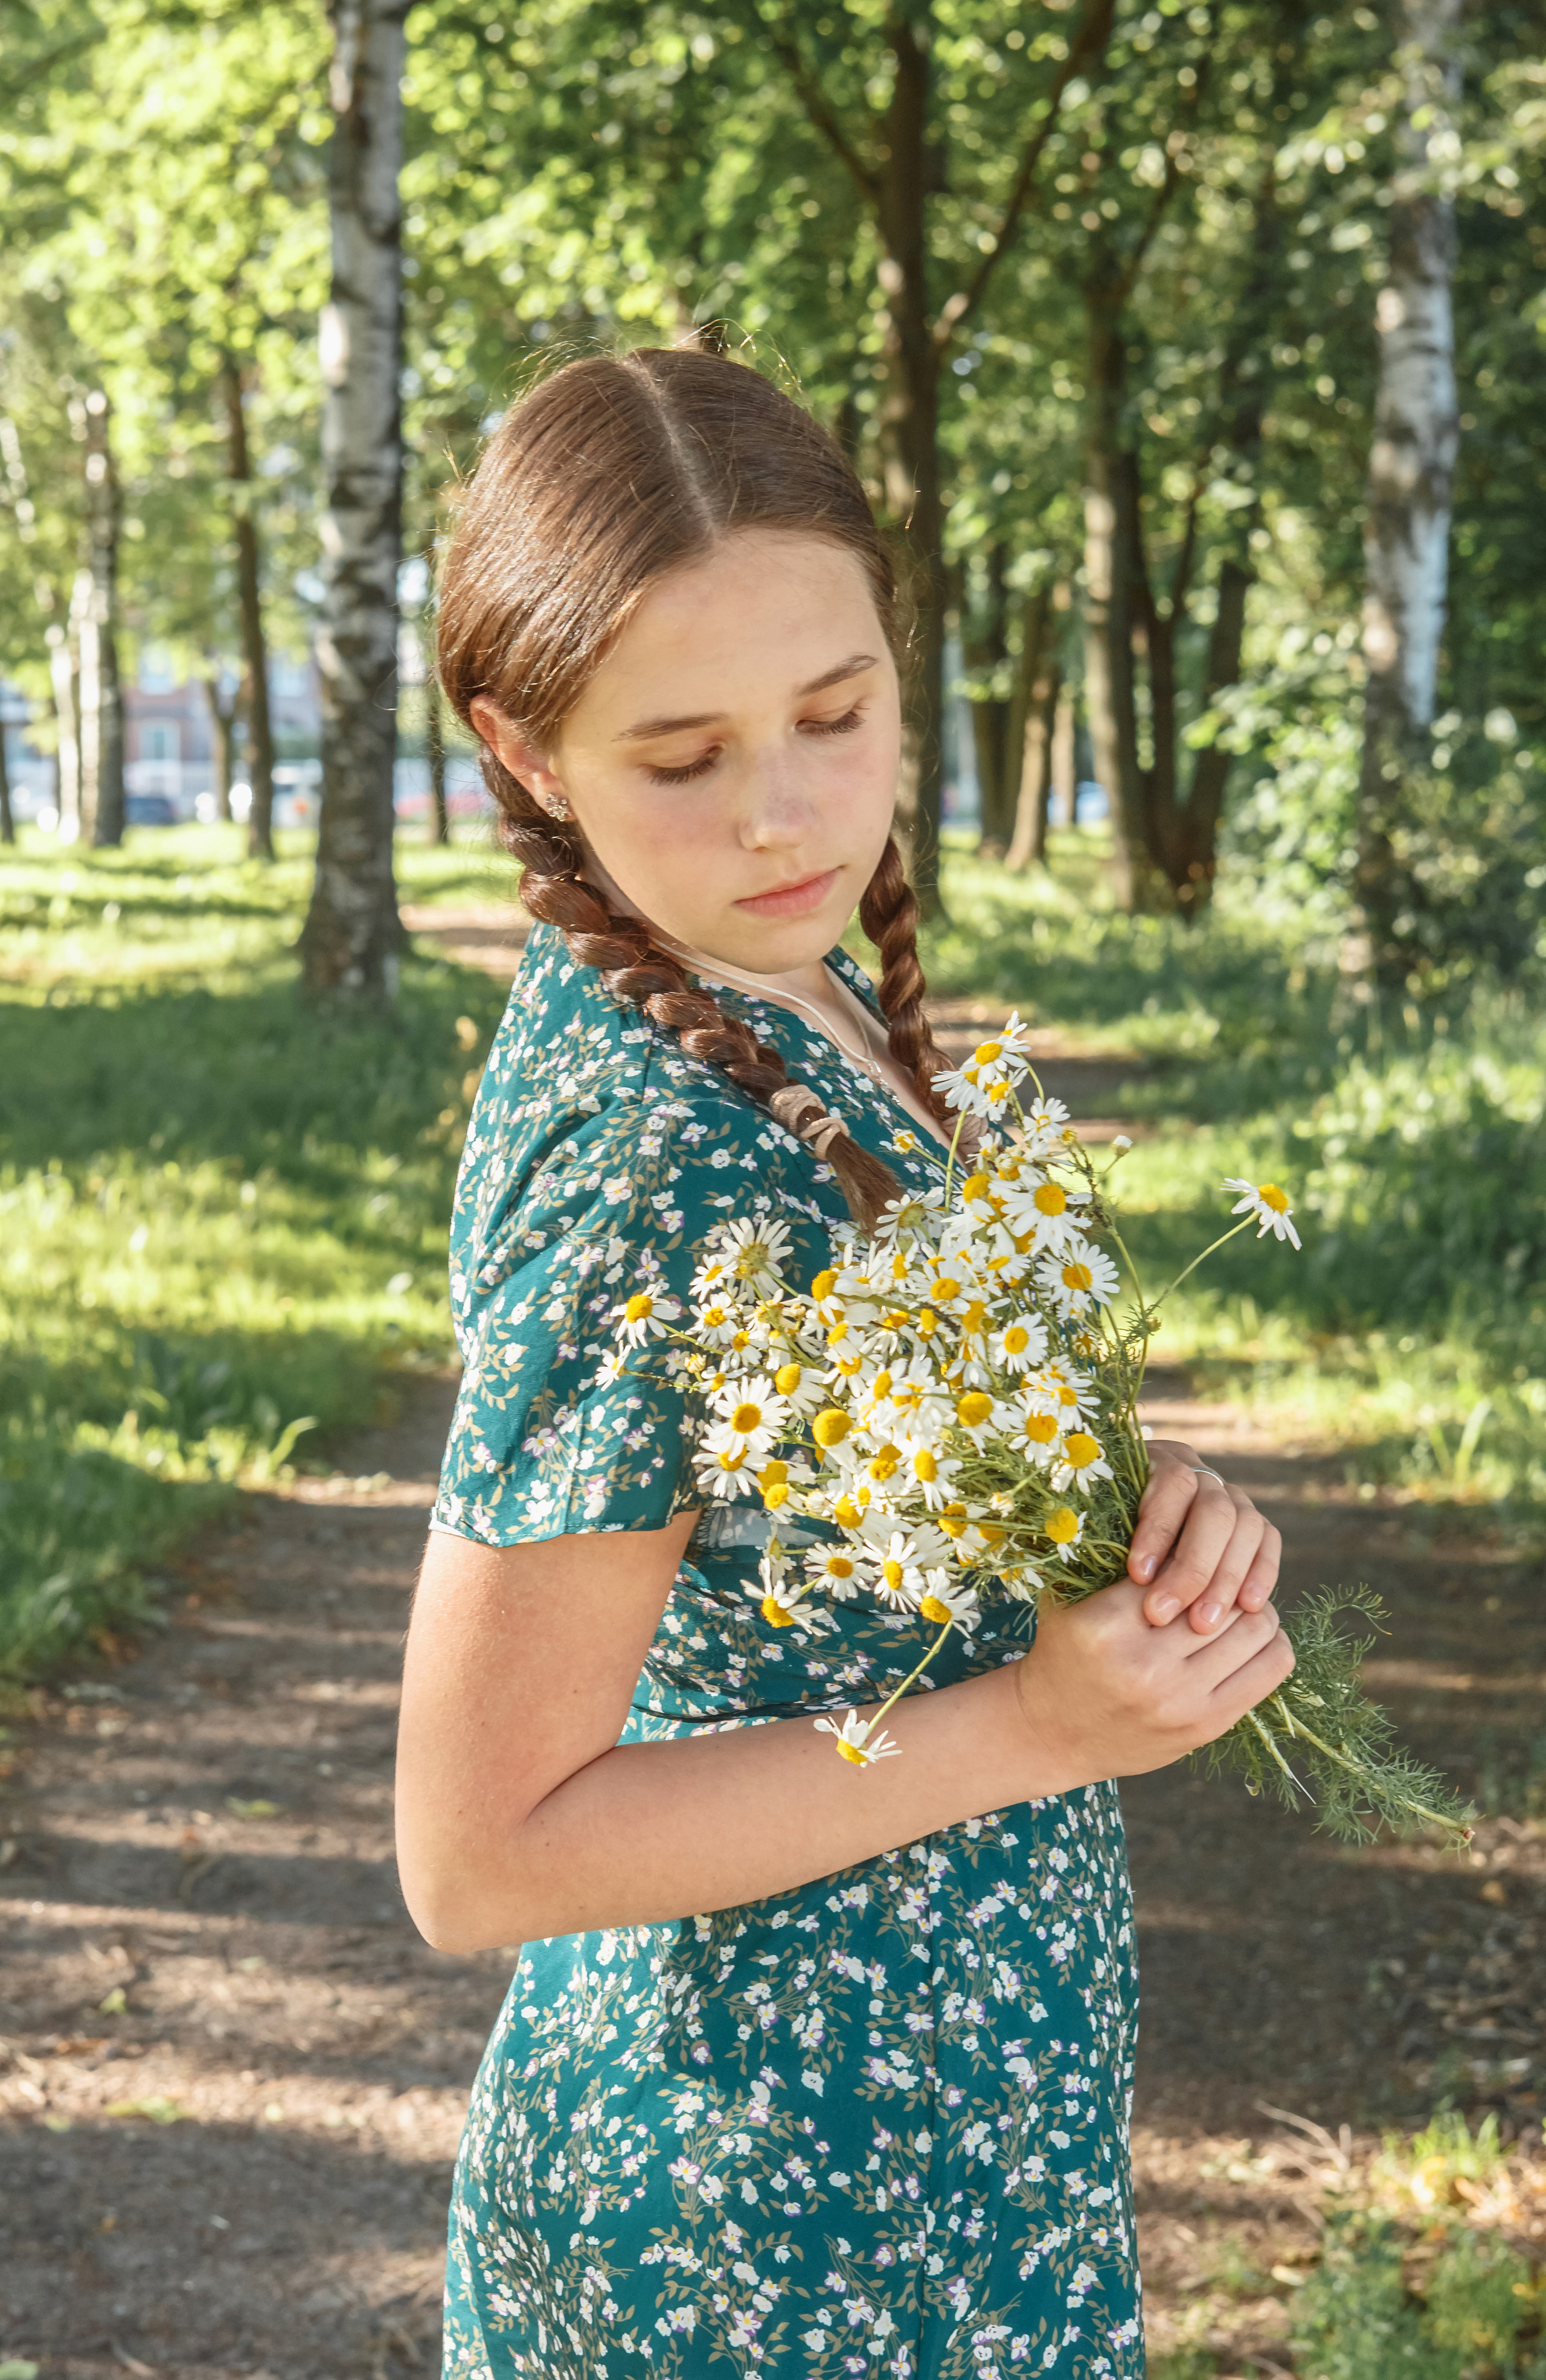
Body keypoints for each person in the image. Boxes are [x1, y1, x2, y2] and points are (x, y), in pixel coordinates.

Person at [395, 347, 1293, 2379]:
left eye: (837, 711)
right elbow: (475, 1853)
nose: (786, 810)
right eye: (682, 754)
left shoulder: (783, 1000)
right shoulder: (641, 1158)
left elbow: (843, 1540)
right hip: (756, 2230)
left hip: (932, 2174)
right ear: (528, 753)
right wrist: (1042, 1726)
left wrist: (1127, 1545)